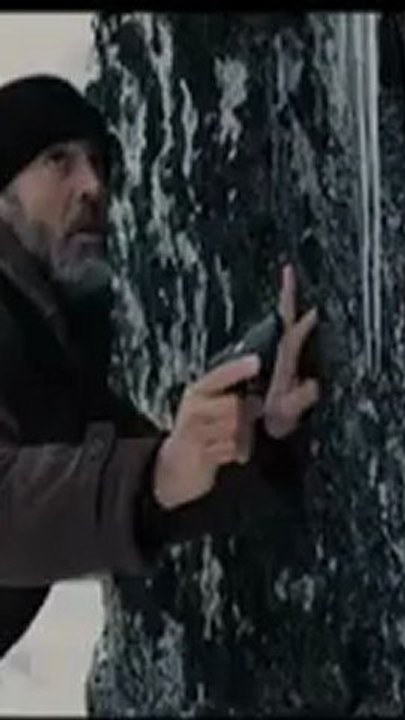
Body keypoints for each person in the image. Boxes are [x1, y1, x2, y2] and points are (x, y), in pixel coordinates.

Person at [0, 74, 320, 658]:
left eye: (98, 163)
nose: (93, 185)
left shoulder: (55, 360)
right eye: (58, 160)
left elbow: (157, 493)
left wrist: (265, 431)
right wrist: (160, 472)